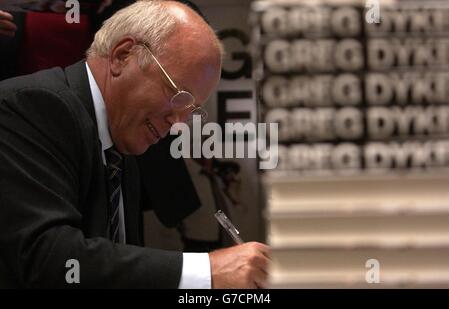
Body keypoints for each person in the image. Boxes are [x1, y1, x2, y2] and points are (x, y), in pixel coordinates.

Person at [0, 0, 269, 288]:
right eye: (178, 95)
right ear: (122, 55)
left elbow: (115, 268)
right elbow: (50, 260)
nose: (178, 124)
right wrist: (207, 271)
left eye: (191, 110)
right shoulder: (32, 106)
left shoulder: (122, 139)